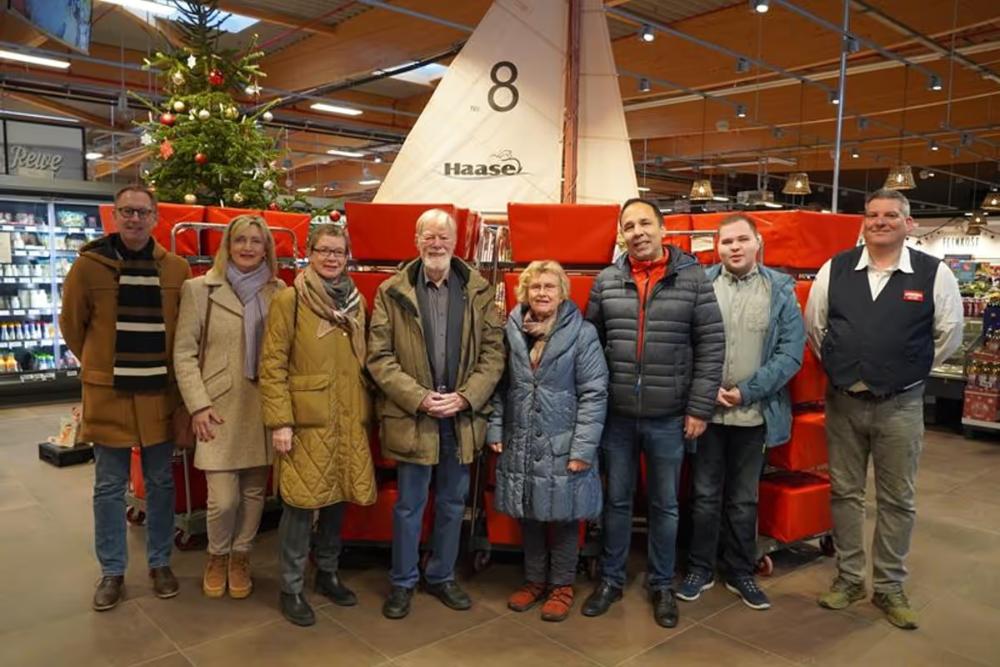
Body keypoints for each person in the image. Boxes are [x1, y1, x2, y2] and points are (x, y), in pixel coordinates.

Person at [805, 188, 962, 630]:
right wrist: (843, 367)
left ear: (908, 223)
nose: (880, 221)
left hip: (901, 406)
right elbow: (816, 327)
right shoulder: (834, 270)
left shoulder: (934, 274)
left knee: (898, 499)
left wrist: (907, 370)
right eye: (872, 214)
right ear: (863, 222)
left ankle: (890, 586)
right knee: (845, 494)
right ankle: (850, 578)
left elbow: (947, 334)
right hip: (844, 402)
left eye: (891, 215)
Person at [582, 198, 724, 628]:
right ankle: (610, 578)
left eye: (646, 223)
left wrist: (699, 407)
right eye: (629, 226)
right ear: (621, 234)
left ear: (663, 229)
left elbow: (711, 346)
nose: (638, 232)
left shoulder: (694, 280)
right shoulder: (606, 281)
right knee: (617, 501)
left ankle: (662, 584)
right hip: (618, 416)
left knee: (665, 505)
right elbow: (590, 346)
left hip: (669, 416)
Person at [368, 208, 505, 620]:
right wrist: (419, 397)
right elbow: (379, 357)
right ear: (416, 240)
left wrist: (466, 397)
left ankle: (442, 575)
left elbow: (494, 354)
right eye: (428, 236)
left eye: (444, 236)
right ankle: (403, 581)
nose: (436, 242)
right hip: (415, 416)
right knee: (409, 504)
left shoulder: (479, 290)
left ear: (456, 241)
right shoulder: (391, 291)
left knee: (451, 503)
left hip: (461, 419)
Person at [60, 184, 191, 611]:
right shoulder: (88, 267)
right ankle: (112, 571)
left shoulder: (176, 269)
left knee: (160, 482)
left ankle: (159, 563)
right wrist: (100, 364)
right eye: (126, 212)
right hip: (110, 394)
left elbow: (183, 330)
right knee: (109, 487)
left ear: (155, 217)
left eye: (142, 212)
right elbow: (72, 327)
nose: (134, 219)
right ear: (115, 216)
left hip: (158, 394)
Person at [677, 214, 805, 611]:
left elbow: (790, 353)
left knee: (744, 499)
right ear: (717, 247)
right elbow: (683, 342)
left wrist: (746, 391)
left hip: (754, 415)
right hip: (707, 414)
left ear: (757, 243)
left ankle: (741, 570)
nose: (734, 247)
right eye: (726, 241)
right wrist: (704, 389)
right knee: (703, 495)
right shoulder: (701, 285)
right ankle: (700, 568)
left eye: (741, 240)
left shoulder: (780, 290)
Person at [259, 224, 377, 627]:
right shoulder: (290, 300)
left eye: (338, 252)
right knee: (298, 503)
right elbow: (272, 363)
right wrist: (280, 421)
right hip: (306, 420)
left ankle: (326, 572)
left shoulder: (357, 303)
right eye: (324, 250)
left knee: (336, 497)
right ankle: (291, 586)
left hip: (347, 414)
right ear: (309, 253)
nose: (331, 258)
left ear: (347, 257)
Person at [487, 261, 608, 622]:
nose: (542, 293)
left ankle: (562, 586)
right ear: (523, 292)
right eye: (535, 286)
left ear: (562, 293)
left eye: (549, 287)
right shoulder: (510, 331)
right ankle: (534, 580)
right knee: (530, 515)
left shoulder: (583, 334)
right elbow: (499, 386)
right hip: (520, 438)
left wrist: (583, 449)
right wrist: (495, 429)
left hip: (564, 441)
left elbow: (595, 393)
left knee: (566, 516)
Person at [174, 214, 284, 600]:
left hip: (262, 404)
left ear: (266, 247)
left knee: (255, 492)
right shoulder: (198, 289)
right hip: (217, 406)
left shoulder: (279, 291)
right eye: (241, 240)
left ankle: (241, 556)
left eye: (257, 241)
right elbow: (184, 354)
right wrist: (198, 405)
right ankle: (217, 555)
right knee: (224, 498)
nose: (249, 247)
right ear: (228, 245)